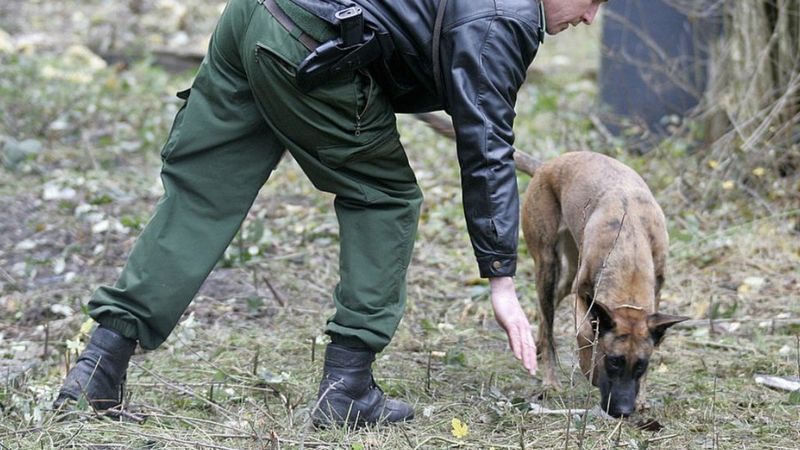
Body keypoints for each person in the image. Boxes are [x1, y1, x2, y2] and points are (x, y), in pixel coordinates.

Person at [54, 0, 606, 426]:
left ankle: (97, 369)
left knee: (202, 195)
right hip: (312, 35)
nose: (589, 16)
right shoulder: (503, 19)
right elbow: (485, 144)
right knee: (383, 197)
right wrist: (502, 280)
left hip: (255, 15)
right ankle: (347, 390)